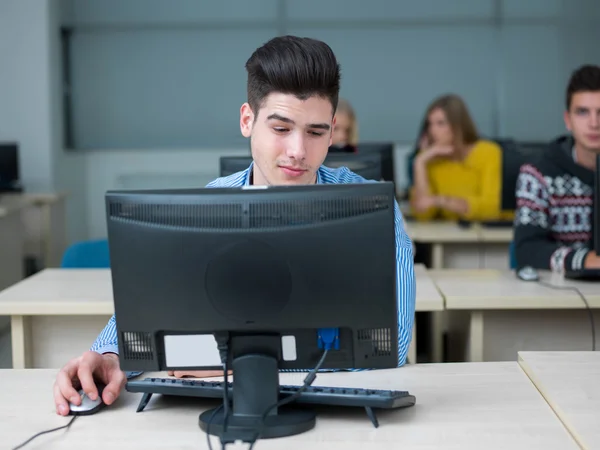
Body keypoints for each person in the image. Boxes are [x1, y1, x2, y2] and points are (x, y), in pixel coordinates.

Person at [53, 35, 416, 416]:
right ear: (248, 120)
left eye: (315, 132)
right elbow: (155, 307)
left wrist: (245, 364)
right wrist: (109, 355)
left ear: (332, 129)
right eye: (281, 129)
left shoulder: (370, 208)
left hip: (342, 418)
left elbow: (394, 340)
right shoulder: (210, 205)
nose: (297, 150)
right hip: (228, 410)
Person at [513, 64, 600, 271]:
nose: (594, 123)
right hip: (563, 294)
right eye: (582, 112)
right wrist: (584, 261)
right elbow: (527, 249)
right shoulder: (537, 175)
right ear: (567, 120)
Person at [409, 94, 512, 222]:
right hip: (451, 237)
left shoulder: (488, 152)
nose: (432, 131)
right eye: (430, 124)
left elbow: (491, 208)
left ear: (459, 126)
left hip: (491, 236)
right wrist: (420, 162)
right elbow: (423, 213)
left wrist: (439, 200)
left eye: (440, 123)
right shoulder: (431, 160)